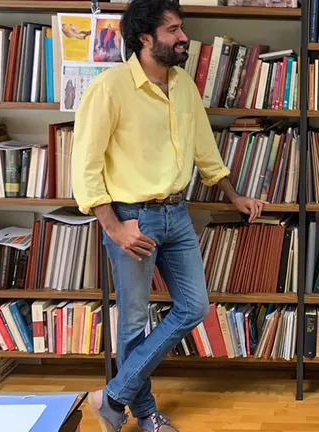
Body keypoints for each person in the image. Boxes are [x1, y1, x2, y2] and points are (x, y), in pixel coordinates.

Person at [70, 0, 266, 430]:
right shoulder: (109, 88)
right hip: (131, 217)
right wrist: (114, 227)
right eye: (173, 30)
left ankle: (114, 394)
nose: (183, 38)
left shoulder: (183, 86)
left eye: (181, 29)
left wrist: (232, 194)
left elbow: (204, 150)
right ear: (145, 38)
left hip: (177, 214)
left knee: (194, 307)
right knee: (134, 321)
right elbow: (85, 165)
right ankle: (144, 414)